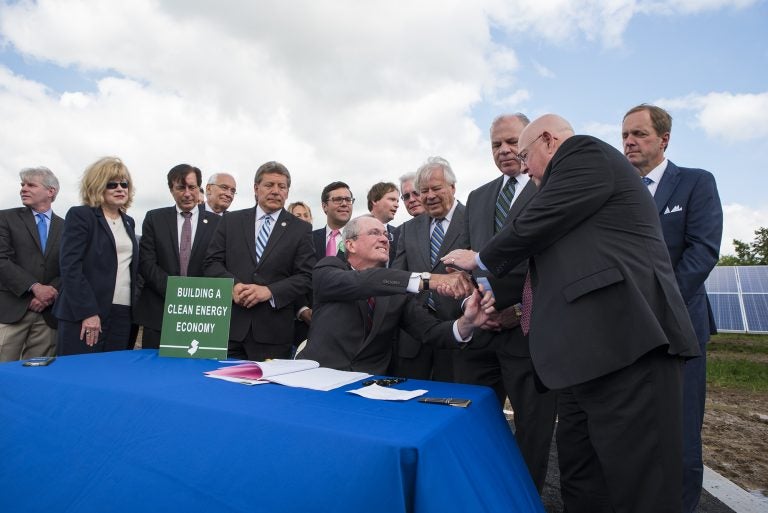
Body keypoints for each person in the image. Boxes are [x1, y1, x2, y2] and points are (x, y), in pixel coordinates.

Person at [443, 114, 700, 513]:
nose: (523, 167)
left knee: (639, 482)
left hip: (627, 346)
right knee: (581, 477)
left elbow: (538, 221)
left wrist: (481, 258)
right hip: (584, 358)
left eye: (526, 154)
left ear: (549, 139)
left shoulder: (584, 152)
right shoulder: (566, 187)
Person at [622, 103, 723, 513]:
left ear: (664, 139)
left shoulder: (696, 183)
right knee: (631, 427)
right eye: (625, 134)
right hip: (624, 329)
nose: (629, 141)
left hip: (679, 327)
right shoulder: (617, 190)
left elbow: (702, 252)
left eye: (639, 134)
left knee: (679, 431)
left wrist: (657, 306)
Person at [458, 114, 557, 493]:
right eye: (496, 144)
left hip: (528, 334)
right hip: (482, 335)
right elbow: (470, 259)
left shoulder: (550, 187)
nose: (504, 150)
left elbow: (553, 259)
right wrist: (477, 305)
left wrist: (518, 309)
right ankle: (479, 494)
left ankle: (524, 498)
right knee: (473, 422)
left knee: (532, 431)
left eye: (512, 141)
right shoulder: (479, 196)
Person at [301, 215, 490, 374]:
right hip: (318, 380)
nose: (384, 239)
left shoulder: (395, 293)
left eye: (385, 234)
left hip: (370, 389)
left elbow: (430, 331)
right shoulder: (327, 269)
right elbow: (364, 281)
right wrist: (430, 280)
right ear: (350, 245)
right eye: (374, 233)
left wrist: (468, 322)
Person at [204, 161, 315, 360]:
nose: (275, 191)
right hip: (228, 329)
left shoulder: (301, 229)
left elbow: (306, 276)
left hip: (273, 333)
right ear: (256, 188)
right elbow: (212, 262)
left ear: (287, 192)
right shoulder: (231, 221)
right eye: (269, 185)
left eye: (282, 187)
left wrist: (269, 291)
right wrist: (233, 286)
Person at [390, 157, 466, 382]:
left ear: (452, 187)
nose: (429, 195)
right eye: (423, 190)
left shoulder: (473, 218)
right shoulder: (408, 229)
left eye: (436, 188)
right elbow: (398, 277)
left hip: (460, 335)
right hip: (415, 338)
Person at [54, 157, 139, 355]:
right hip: (86, 312)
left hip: (122, 312)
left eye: (124, 184)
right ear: (97, 186)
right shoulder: (81, 216)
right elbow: (70, 267)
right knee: (79, 375)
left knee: (112, 374)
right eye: (112, 184)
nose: (120, 189)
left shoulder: (129, 222)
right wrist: (88, 312)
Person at [134, 164, 221, 349]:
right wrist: (176, 292)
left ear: (200, 189)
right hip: (159, 313)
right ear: (171, 190)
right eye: (181, 188)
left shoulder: (218, 224)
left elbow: (219, 263)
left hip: (202, 315)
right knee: (155, 372)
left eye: (192, 187)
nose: (187, 193)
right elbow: (147, 263)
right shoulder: (154, 218)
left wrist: (195, 294)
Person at [0, 167, 63, 361]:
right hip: (11, 310)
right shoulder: (5, 218)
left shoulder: (67, 227)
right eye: (22, 185)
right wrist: (34, 288)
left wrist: (50, 291)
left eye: (31, 185)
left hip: (48, 315)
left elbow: (70, 266)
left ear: (50, 191)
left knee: (37, 374)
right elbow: (2, 259)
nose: (23, 189)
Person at [367, 182, 400, 264]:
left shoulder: (399, 234)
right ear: (375, 200)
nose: (397, 205)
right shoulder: (354, 229)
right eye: (392, 199)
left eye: (397, 201)